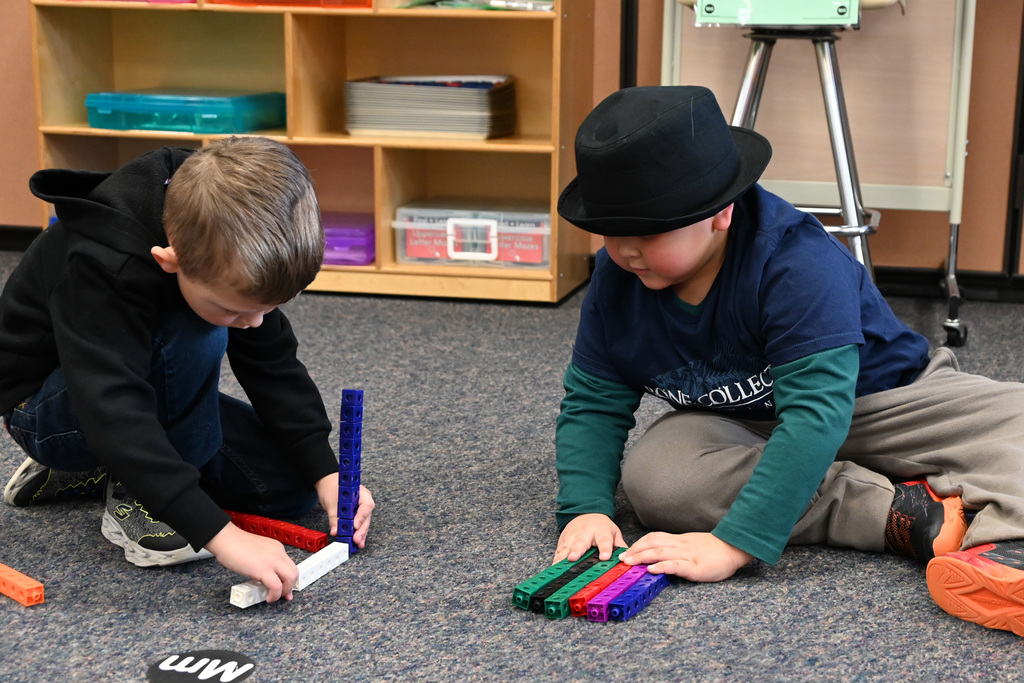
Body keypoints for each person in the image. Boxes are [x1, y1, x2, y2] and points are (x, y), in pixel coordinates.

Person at [551, 85, 1024, 637]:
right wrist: (585, 507)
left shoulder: (796, 261)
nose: (625, 251)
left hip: (880, 401)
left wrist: (733, 543)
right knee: (659, 478)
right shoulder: (619, 277)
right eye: (610, 232)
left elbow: (817, 416)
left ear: (719, 214)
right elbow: (593, 402)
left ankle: (1006, 546)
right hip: (746, 422)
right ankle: (906, 514)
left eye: (648, 233)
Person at [0, 136, 374, 603]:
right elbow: (113, 408)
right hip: (51, 407)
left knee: (289, 490)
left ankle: (99, 472)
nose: (254, 324)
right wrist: (219, 535)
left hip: (138, 379)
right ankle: (126, 488)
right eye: (236, 310)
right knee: (197, 330)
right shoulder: (105, 266)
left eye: (269, 309)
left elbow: (272, 362)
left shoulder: (219, 235)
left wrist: (326, 472)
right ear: (168, 260)